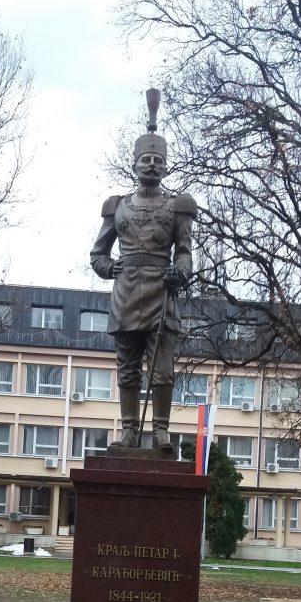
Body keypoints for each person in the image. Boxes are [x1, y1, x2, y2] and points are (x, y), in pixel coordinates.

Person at [90, 90, 197, 450]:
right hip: (125, 294)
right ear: (135, 164)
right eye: (145, 159)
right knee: (127, 367)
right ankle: (129, 430)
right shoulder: (116, 206)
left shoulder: (178, 206)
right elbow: (98, 253)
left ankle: (161, 431)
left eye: (157, 160)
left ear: (165, 167)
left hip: (161, 292)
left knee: (162, 369)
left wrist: (180, 273)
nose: (151, 165)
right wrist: (110, 267)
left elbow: (185, 253)